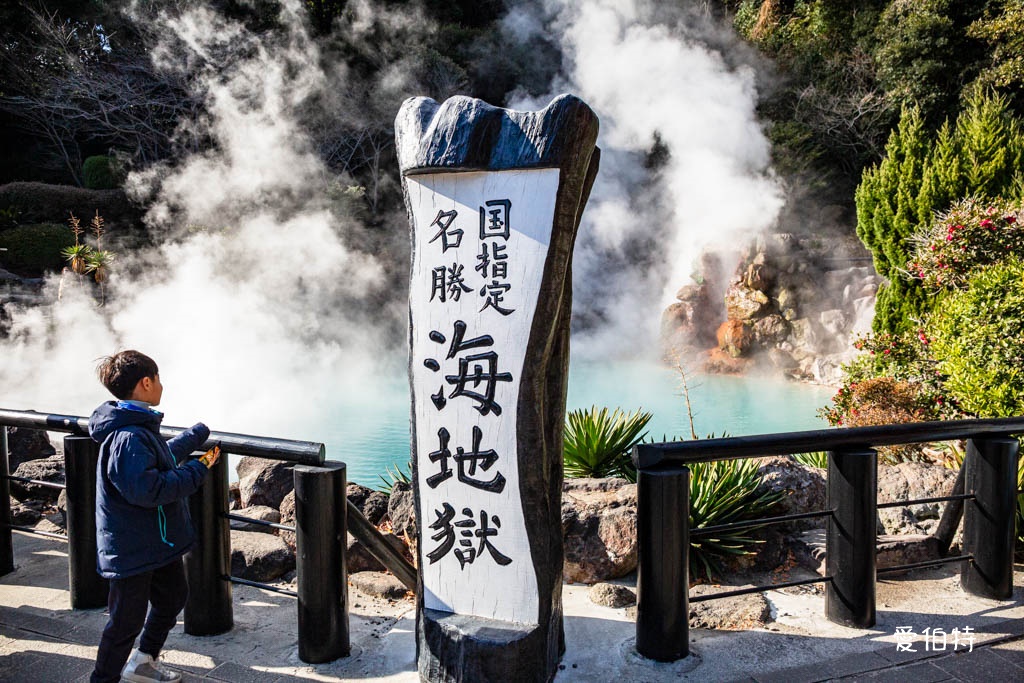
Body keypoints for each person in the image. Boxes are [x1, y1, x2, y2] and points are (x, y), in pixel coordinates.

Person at [87, 350, 220, 683]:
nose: (161, 384)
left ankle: (144, 661)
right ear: (146, 383)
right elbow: (150, 489)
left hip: (154, 542)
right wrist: (198, 469)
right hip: (133, 549)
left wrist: (193, 437)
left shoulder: (134, 424)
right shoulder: (128, 436)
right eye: (158, 378)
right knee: (124, 623)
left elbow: (157, 460)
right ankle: (103, 679)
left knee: (173, 596)